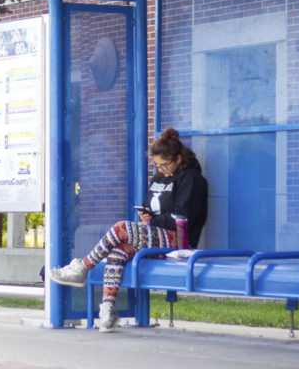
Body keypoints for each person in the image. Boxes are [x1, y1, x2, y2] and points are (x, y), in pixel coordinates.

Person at [49, 127, 208, 332]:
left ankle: (82, 267)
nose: (161, 170)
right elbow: (150, 210)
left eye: (164, 165)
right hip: (154, 236)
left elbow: (181, 217)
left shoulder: (192, 179)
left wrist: (154, 220)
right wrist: (146, 216)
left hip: (177, 240)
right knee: (118, 252)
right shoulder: (157, 180)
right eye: (157, 165)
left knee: (121, 227)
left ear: (178, 159)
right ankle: (108, 310)